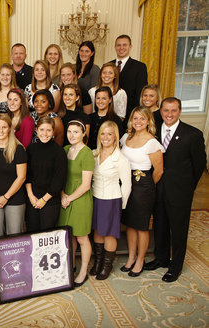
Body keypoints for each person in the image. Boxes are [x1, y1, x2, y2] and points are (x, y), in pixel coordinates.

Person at [146, 98, 206, 282]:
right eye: (166, 110)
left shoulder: (192, 134)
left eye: (173, 110)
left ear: (179, 111)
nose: (169, 114)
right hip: (158, 188)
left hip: (180, 191)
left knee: (178, 229)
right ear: (161, 111)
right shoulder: (153, 131)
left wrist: (187, 187)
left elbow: (199, 165)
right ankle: (161, 258)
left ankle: (176, 265)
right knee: (160, 224)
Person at [120, 107, 164, 277]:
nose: (138, 122)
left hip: (143, 185)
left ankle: (140, 260)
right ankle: (131, 257)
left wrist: (146, 187)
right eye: (135, 118)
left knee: (141, 226)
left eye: (142, 119)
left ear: (148, 121)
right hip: (126, 183)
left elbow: (158, 171)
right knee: (130, 223)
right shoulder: (126, 137)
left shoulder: (152, 142)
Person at [90, 121, 131, 280]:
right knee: (98, 231)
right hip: (95, 197)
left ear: (115, 137)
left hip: (111, 200)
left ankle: (106, 266)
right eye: (102, 133)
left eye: (109, 134)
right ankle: (98, 262)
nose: (105, 137)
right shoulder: (94, 154)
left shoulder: (120, 158)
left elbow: (127, 185)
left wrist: (120, 207)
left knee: (109, 234)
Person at [59, 120, 95, 287]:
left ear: (83, 134)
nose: (71, 135)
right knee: (69, 235)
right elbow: (60, 176)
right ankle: (71, 265)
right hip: (65, 195)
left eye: (75, 132)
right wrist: (62, 195)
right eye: (69, 131)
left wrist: (69, 198)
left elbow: (86, 184)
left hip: (80, 199)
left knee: (81, 237)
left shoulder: (87, 153)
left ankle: (83, 271)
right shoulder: (66, 150)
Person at [0, 114, 27, 257]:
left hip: (14, 199)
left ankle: (16, 276)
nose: (1, 130)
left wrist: (6, 196)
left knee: (15, 238)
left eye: (4, 127)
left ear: (10, 129)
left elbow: (21, 177)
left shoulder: (18, 149)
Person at [26, 117, 67, 232]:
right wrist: (31, 197)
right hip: (32, 199)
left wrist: (43, 200)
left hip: (50, 201)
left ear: (53, 132)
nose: (45, 133)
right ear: (37, 130)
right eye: (42, 129)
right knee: (32, 234)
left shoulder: (59, 152)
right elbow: (27, 175)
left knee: (46, 236)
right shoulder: (30, 149)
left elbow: (58, 181)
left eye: (48, 130)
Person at [111, 35, 148, 123]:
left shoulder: (139, 67)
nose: (121, 48)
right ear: (115, 47)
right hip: (110, 111)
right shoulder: (108, 65)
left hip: (130, 112)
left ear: (130, 46)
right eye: (119, 45)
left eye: (124, 45)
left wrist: (136, 114)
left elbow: (141, 92)